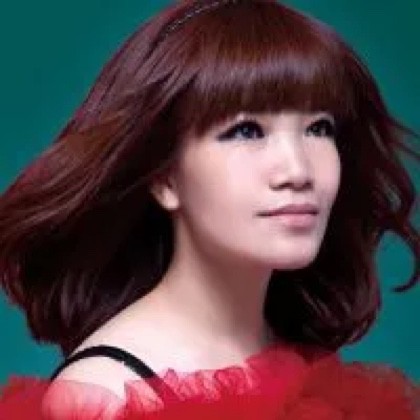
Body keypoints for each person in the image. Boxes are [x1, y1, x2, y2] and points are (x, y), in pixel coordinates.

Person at [0, 0, 419, 418]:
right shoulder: (107, 396)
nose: (298, 170)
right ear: (164, 177)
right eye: (247, 130)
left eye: (318, 128)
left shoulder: (302, 362)